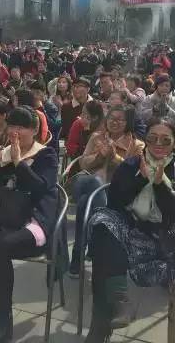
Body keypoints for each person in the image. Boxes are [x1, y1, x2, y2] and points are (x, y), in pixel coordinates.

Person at [85, 118, 175, 342]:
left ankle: (100, 328)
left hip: (162, 239)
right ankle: (117, 300)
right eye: (152, 138)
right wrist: (140, 181)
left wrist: (159, 185)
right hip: (129, 229)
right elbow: (114, 204)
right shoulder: (130, 166)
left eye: (165, 140)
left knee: (102, 258)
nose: (158, 144)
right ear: (145, 140)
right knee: (101, 221)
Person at [0, 106, 58, 343]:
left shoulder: (46, 155)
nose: (14, 131)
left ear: (34, 130)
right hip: (6, 218)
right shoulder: (6, 152)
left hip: (34, 222)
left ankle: (3, 314)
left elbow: (40, 187)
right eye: (12, 125)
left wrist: (19, 161)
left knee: (0, 245)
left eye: (21, 127)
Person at [68, 104, 144, 277]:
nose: (114, 122)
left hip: (114, 191)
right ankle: (98, 237)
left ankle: (77, 255)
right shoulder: (96, 137)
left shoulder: (137, 145)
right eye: (111, 118)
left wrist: (114, 157)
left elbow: (133, 174)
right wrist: (100, 156)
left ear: (127, 122)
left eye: (120, 120)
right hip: (86, 182)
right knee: (94, 182)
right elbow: (83, 164)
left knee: (84, 205)